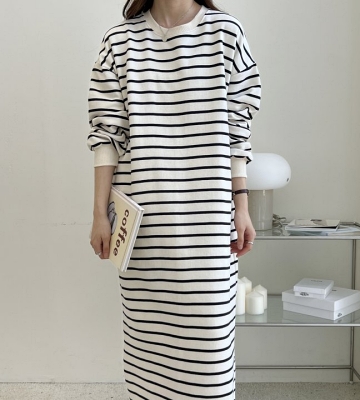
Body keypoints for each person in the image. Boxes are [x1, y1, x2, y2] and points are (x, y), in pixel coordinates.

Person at [87, 0, 261, 398]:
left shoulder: (227, 34)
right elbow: (106, 137)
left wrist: (242, 206)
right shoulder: (119, 41)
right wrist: (98, 214)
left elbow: (238, 132)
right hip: (143, 227)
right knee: (147, 349)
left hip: (208, 221)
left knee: (209, 354)